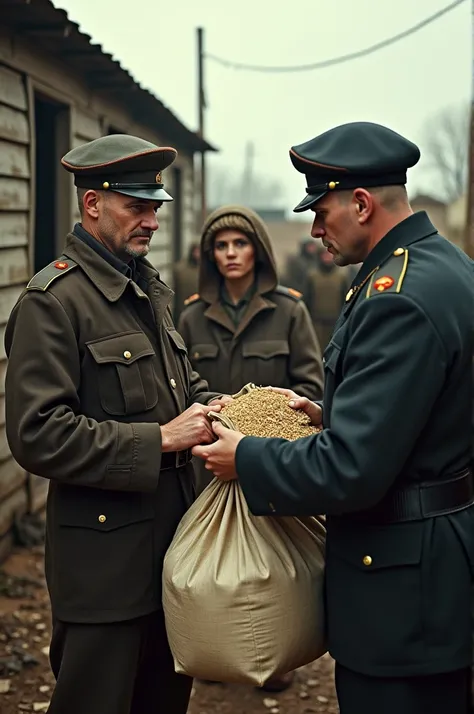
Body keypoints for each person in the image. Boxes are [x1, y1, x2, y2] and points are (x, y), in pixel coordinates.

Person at [192, 121, 474, 714]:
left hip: (403, 589)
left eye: (321, 212)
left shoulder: (395, 297)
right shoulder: (442, 265)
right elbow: (431, 411)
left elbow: (353, 469)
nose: (316, 229)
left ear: (363, 204)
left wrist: (245, 456)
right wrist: (331, 413)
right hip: (433, 570)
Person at [4, 134, 229, 714]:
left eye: (156, 207)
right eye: (138, 206)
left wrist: (233, 409)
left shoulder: (146, 288)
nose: (152, 221)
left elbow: (177, 388)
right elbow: (38, 433)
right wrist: (160, 439)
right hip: (104, 569)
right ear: (92, 204)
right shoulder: (53, 302)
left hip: (172, 554)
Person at [178, 204, 324, 692]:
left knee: (271, 559)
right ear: (209, 254)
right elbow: (187, 387)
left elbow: (308, 384)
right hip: (211, 460)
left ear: (258, 251)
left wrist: (272, 430)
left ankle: (275, 654)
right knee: (218, 559)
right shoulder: (193, 314)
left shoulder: (289, 309)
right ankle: (216, 646)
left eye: (240, 244)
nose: (230, 254)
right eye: (221, 246)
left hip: (269, 459)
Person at [305, 244, 352, 351]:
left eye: (329, 255)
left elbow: (346, 300)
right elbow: (308, 299)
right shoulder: (312, 276)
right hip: (316, 323)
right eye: (324, 255)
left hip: (335, 323)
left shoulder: (341, 277)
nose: (327, 257)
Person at [282, 236, 320, 302]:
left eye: (313, 246)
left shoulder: (317, 261)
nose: (312, 249)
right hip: (299, 293)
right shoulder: (296, 262)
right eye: (310, 246)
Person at [172, 241, 200, 322]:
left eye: (199, 251)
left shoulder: (205, 270)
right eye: (195, 251)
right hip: (183, 307)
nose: (197, 254)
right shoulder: (180, 270)